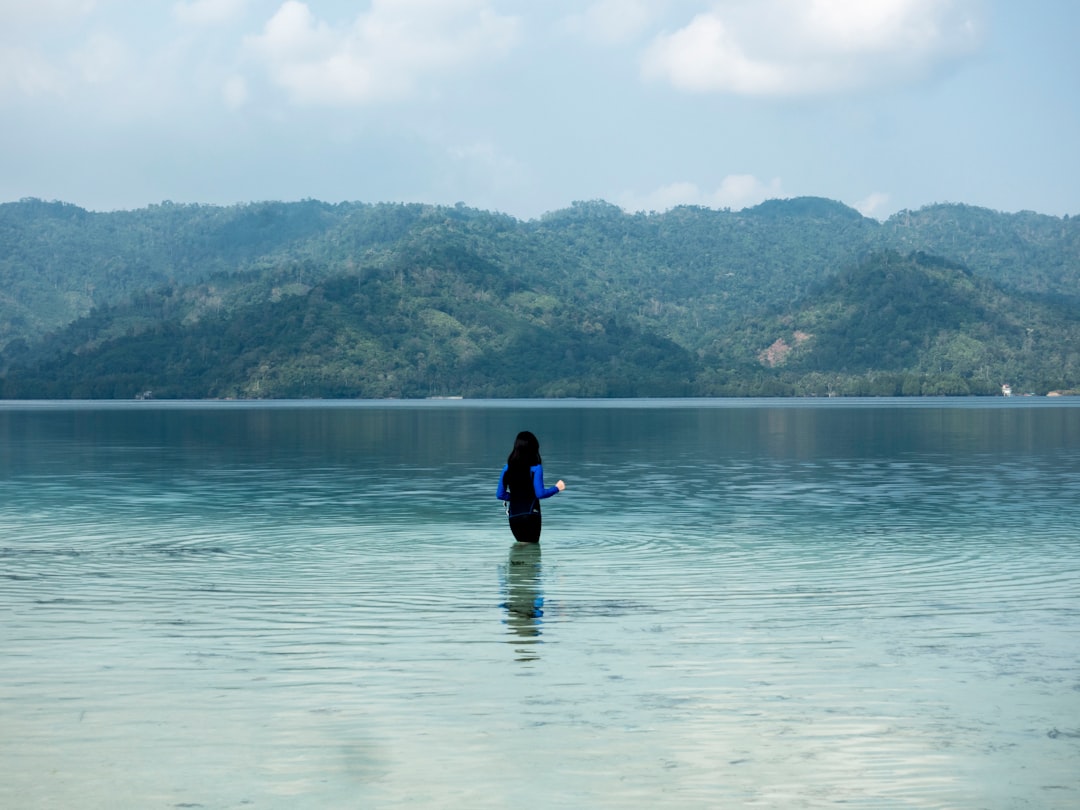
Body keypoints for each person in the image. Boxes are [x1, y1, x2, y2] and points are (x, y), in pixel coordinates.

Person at [496, 431, 565, 543]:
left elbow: (500, 494)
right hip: (531, 515)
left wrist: (516, 497)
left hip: (514, 517)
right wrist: (557, 488)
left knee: (519, 553)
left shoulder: (507, 468)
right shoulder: (536, 468)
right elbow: (540, 494)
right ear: (534, 448)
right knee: (533, 552)